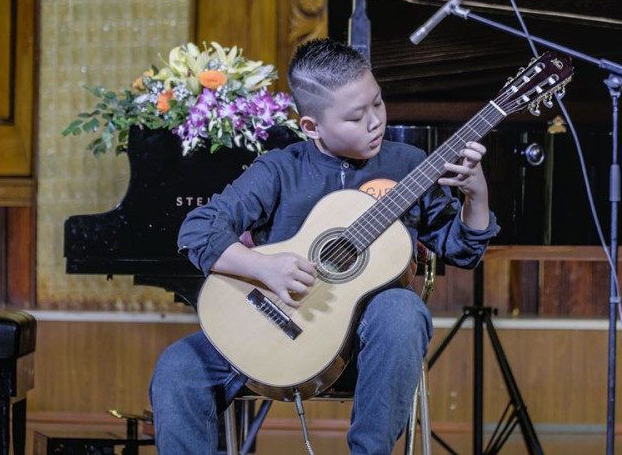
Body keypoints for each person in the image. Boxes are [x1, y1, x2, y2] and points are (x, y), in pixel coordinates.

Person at [149, 37, 499, 454]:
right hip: (274, 333)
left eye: (378, 103)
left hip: (369, 352)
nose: (374, 122)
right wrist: (265, 268)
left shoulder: (409, 167)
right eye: (356, 117)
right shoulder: (280, 169)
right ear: (311, 126)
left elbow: (463, 250)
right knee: (177, 368)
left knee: (403, 310)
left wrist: (477, 197)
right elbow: (199, 230)